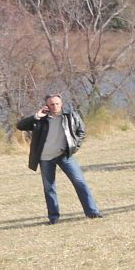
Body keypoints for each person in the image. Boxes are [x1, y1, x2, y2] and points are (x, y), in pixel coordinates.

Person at [15, 93, 102, 223]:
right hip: (45, 158)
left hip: (64, 156)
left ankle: (92, 212)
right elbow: (20, 126)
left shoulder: (70, 116)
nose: (55, 106)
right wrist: (37, 116)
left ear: (61, 104)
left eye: (57, 103)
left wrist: (73, 147)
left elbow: (81, 132)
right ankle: (53, 218)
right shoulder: (41, 119)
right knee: (49, 188)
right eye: (52, 104)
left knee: (80, 183)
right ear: (47, 105)